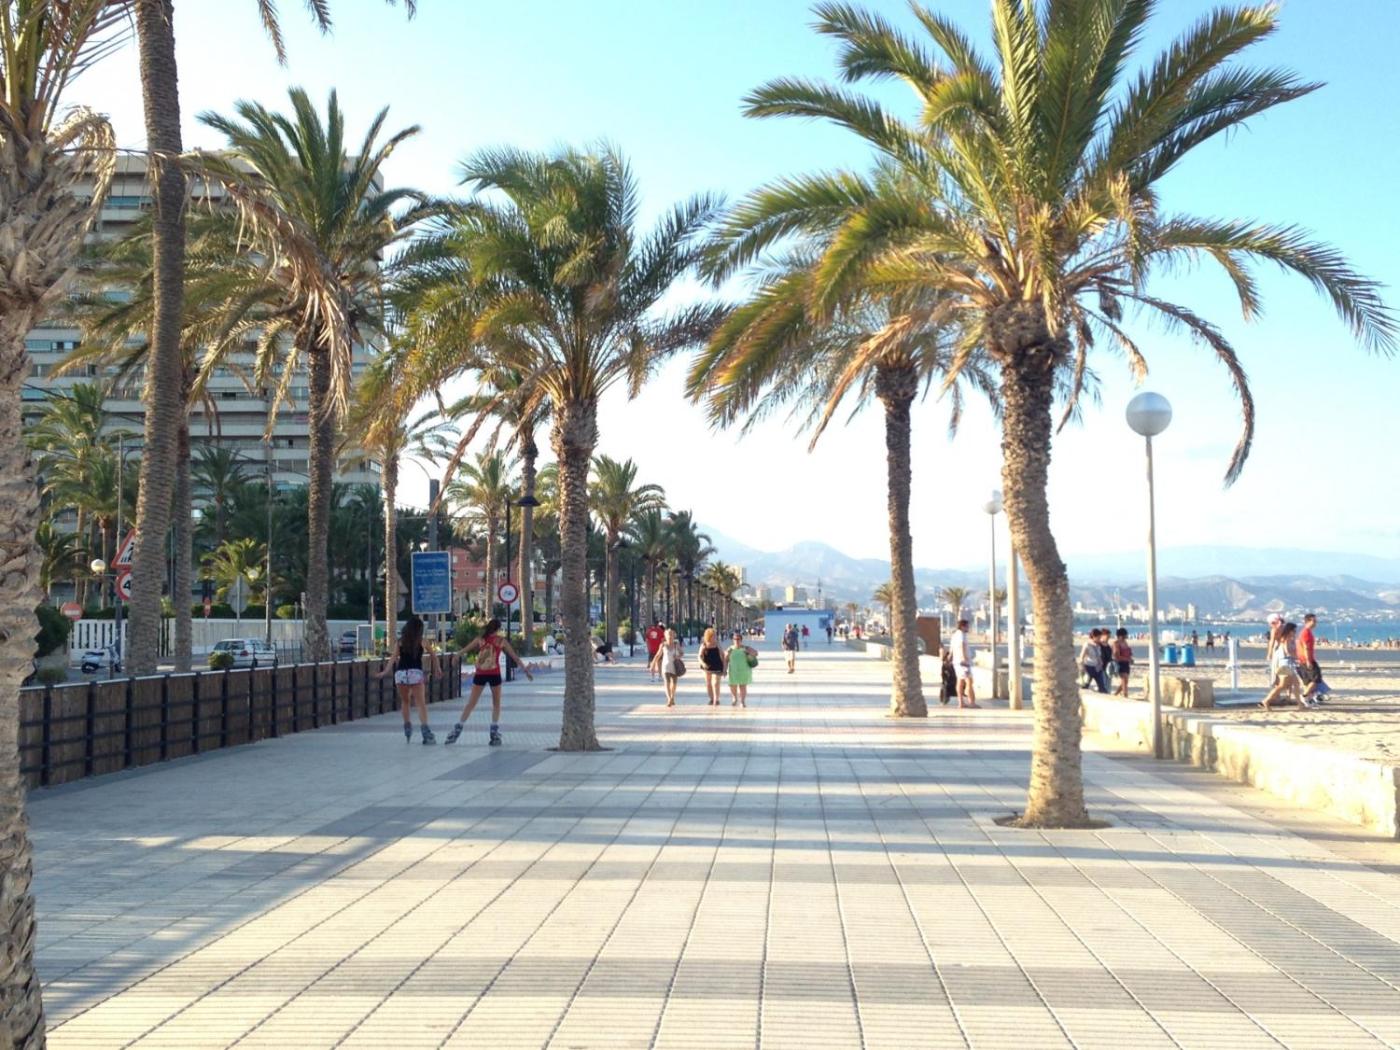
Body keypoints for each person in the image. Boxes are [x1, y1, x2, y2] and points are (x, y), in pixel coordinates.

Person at [446, 619, 532, 746]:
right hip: (494, 674)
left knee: (471, 703)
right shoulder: (501, 641)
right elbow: (515, 657)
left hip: (480, 673)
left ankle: (458, 728)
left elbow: (464, 650)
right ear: (498, 629)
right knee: (496, 704)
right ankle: (494, 732)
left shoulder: (480, 639)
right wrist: (526, 671)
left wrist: (456, 656)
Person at [374, 615, 439, 744]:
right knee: (420, 703)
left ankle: (407, 727)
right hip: (415, 673)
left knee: (405, 702)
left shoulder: (400, 642)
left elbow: (393, 658)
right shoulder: (422, 641)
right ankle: (425, 732)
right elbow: (433, 656)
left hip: (401, 674)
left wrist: (385, 672)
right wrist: (438, 668)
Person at [1261, 621, 1301, 711]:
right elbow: (1287, 652)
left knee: (1296, 684)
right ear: (1289, 631)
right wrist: (1298, 657)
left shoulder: (1290, 639)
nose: (1295, 632)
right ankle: (1266, 701)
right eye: (1294, 630)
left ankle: (1300, 704)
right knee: (1282, 685)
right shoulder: (1286, 639)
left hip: (1288, 663)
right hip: (1285, 663)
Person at [649, 628, 685, 707]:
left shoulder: (676, 644)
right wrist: (653, 664)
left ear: (674, 636)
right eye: (668, 635)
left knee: (674, 684)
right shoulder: (663, 645)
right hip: (665, 667)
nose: (670, 636)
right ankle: (669, 699)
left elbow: (682, 653)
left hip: (675, 667)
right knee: (667, 683)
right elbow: (658, 655)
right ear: (665, 636)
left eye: (671, 635)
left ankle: (672, 697)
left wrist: (678, 656)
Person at [723, 630, 758, 707]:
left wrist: (748, 652)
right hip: (733, 671)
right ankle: (734, 698)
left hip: (744, 671)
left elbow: (756, 653)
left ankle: (742, 701)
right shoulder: (730, 649)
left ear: (741, 640)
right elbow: (726, 660)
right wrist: (724, 670)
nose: (736, 641)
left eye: (738, 639)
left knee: (742, 686)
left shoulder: (746, 648)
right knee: (733, 686)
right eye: (734, 639)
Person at [1297, 613, 1326, 705]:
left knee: (1308, 681)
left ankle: (1308, 699)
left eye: (1316, 621)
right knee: (1316, 679)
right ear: (1308, 621)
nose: (1315, 623)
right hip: (1307, 660)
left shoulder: (1307, 632)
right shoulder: (1305, 633)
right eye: (1314, 621)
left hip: (1305, 660)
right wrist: (1308, 661)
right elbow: (1306, 648)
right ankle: (1304, 696)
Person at [950, 619, 977, 708]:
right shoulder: (962, 635)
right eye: (967, 626)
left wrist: (950, 658)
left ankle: (961, 703)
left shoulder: (954, 635)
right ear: (962, 626)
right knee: (969, 681)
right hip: (963, 662)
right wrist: (965, 659)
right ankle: (972, 702)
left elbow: (951, 650)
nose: (968, 628)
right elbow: (962, 646)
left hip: (957, 661)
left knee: (960, 682)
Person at [698, 627, 725, 706]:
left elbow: (722, 655)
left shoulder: (717, 644)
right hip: (707, 667)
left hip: (717, 665)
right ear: (708, 636)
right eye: (713, 635)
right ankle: (712, 698)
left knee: (716, 683)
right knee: (708, 683)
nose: (715, 637)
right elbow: (699, 656)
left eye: (715, 635)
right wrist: (703, 663)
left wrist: (724, 667)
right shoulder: (704, 645)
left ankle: (716, 700)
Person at [1079, 629, 1107, 693]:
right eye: (1098, 637)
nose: (1099, 639)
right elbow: (1081, 656)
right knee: (1085, 685)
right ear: (1094, 636)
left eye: (1100, 637)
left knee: (1102, 687)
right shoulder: (1087, 644)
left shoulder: (1098, 645)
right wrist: (1082, 667)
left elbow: (1099, 655)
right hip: (1089, 667)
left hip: (1098, 668)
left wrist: (1101, 662)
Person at [1112, 628, 1133, 697]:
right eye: (1125, 635)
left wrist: (1130, 659)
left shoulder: (1125, 642)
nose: (1126, 636)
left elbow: (1128, 653)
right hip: (1120, 663)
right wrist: (1127, 659)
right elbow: (1117, 656)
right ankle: (1125, 695)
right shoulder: (1116, 644)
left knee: (1125, 681)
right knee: (1124, 680)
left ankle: (1115, 694)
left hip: (1126, 663)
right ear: (1120, 636)